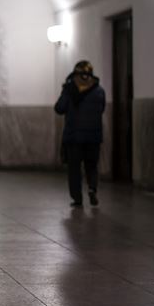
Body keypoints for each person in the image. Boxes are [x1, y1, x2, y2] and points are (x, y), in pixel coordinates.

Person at [54, 60, 106, 207]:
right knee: (92, 165)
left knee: (74, 169)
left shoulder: (70, 90)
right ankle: (92, 188)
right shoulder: (99, 90)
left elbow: (59, 108)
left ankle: (77, 198)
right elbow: (101, 110)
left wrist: (66, 89)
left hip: (74, 137)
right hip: (94, 136)